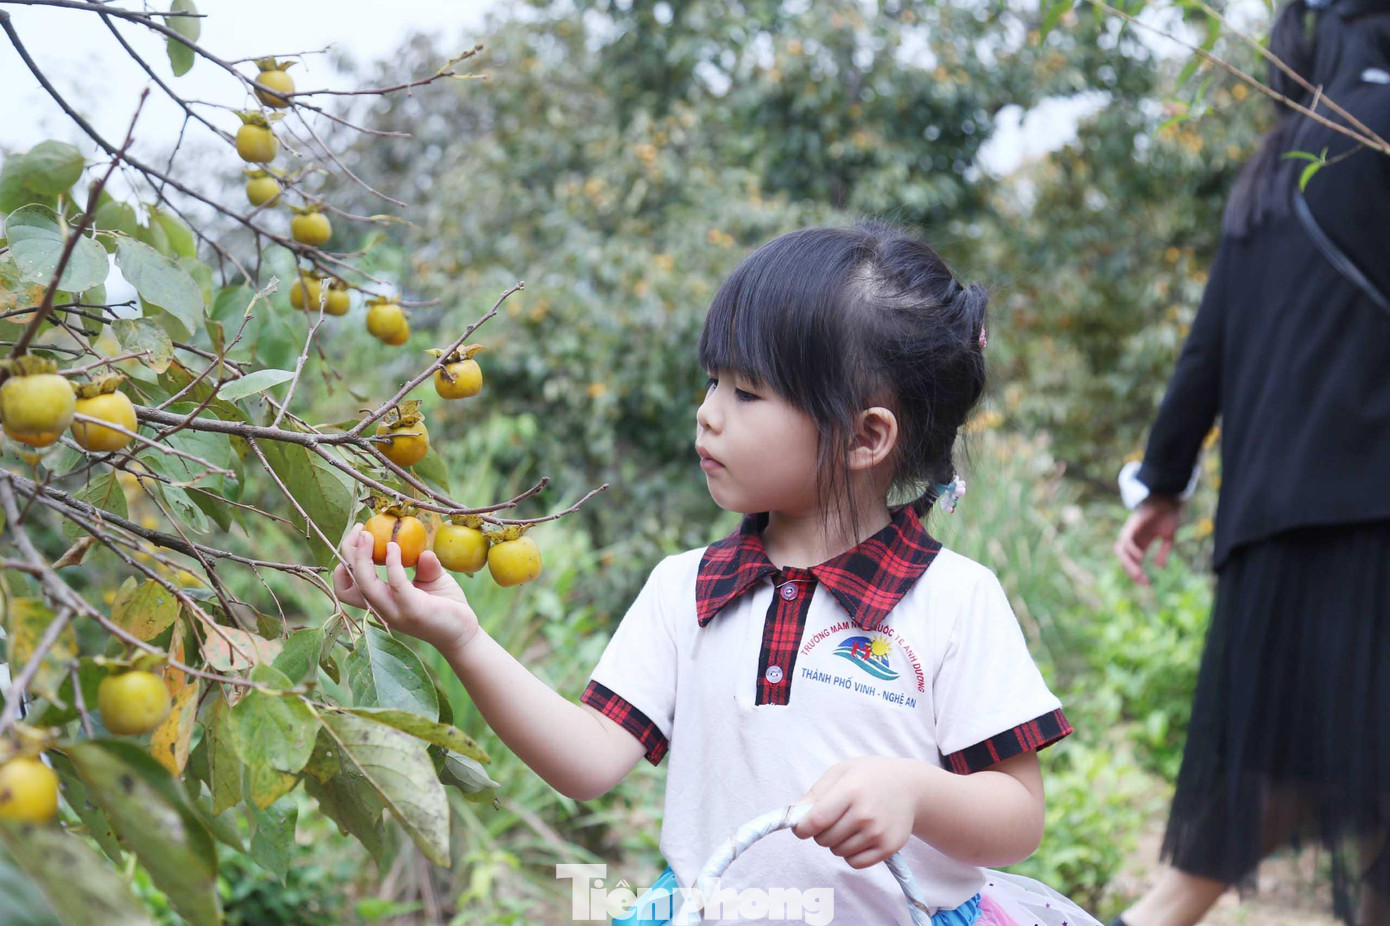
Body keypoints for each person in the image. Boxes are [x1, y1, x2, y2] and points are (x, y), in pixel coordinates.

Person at [334, 222, 1101, 925]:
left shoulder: (952, 603)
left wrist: (915, 792)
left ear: (866, 437)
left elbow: (1017, 817)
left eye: (746, 393)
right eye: (712, 382)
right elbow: (591, 759)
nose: (708, 413)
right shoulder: (688, 589)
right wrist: (461, 636)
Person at [1112, 1, 1390, 924]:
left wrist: (1162, 483)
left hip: (1273, 531)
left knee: (1263, 790)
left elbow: (1208, 346)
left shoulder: (1273, 170)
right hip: (1376, 517)